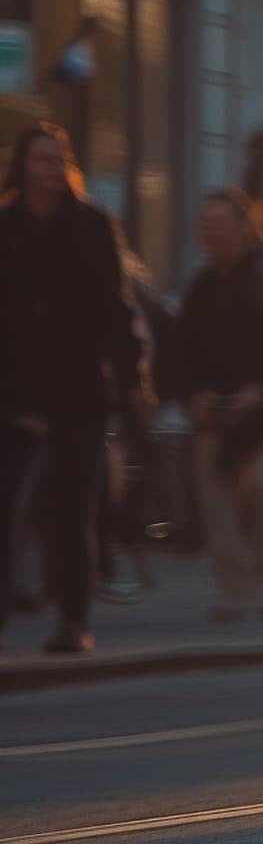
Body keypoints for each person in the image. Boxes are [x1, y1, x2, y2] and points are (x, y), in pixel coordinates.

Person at [0, 123, 147, 654]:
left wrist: (132, 381)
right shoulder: (6, 226)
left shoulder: (90, 227)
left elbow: (116, 311)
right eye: (39, 159)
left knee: (70, 507)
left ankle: (72, 618)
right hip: (13, 392)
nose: (48, 169)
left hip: (77, 391)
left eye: (56, 159)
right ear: (23, 166)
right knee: (5, 501)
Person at [165, 188, 263, 622]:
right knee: (216, 497)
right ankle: (235, 590)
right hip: (220, 413)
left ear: (245, 227)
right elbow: (182, 352)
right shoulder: (200, 286)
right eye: (205, 224)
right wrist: (194, 395)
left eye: (221, 222)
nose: (211, 232)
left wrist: (262, 389)